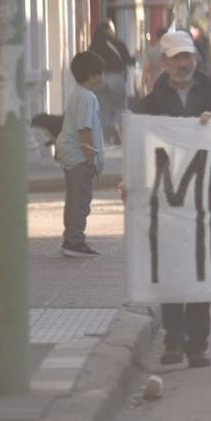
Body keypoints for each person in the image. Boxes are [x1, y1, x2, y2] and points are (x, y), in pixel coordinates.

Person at [138, 30, 211, 367]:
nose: (183, 63)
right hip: (168, 197)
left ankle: (197, 341)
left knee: (199, 269)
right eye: (176, 57)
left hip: (205, 195)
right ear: (164, 62)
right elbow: (142, 146)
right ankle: (173, 339)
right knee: (172, 269)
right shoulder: (151, 101)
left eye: (187, 56)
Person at [58, 51, 107, 258]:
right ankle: (75, 241)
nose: (102, 76)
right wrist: (90, 157)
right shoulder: (88, 97)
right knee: (81, 199)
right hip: (79, 156)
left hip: (69, 154)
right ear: (91, 74)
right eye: (100, 72)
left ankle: (70, 238)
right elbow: (84, 129)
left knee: (73, 198)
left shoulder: (77, 93)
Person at [89, 19, 133, 142]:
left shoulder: (93, 46)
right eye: (112, 29)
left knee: (103, 110)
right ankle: (116, 125)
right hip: (116, 77)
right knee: (120, 108)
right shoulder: (117, 44)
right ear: (108, 30)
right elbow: (128, 60)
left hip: (99, 80)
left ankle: (104, 141)